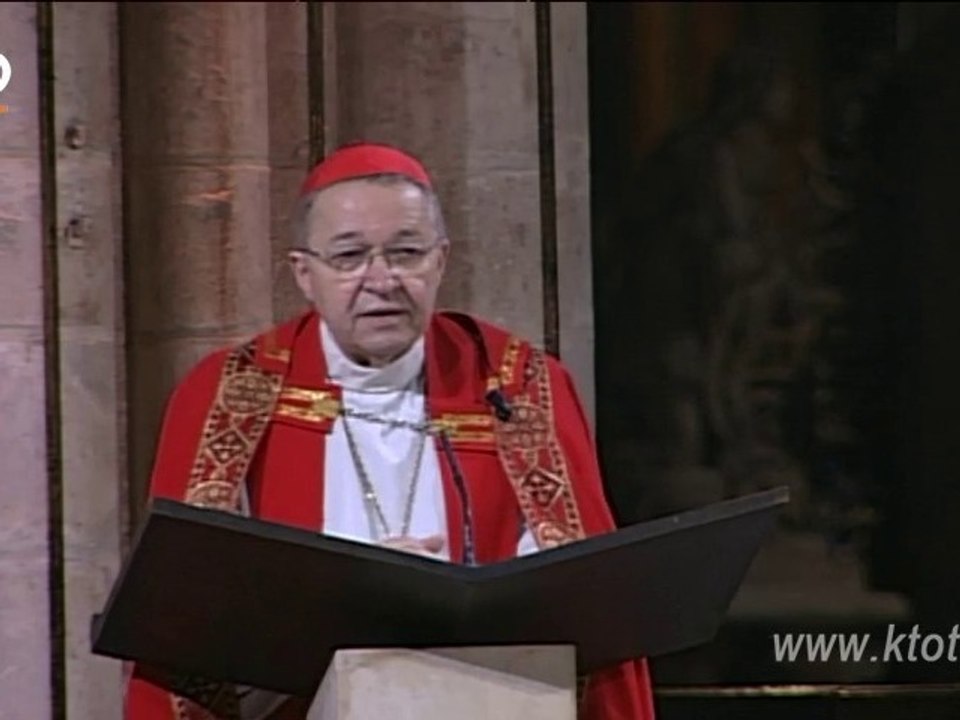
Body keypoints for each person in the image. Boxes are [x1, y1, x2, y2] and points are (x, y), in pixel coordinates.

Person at [124, 142, 656, 720]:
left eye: (406, 253)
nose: (382, 280)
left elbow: (580, 605)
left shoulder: (518, 388)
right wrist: (347, 607)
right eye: (349, 257)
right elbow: (190, 627)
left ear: (441, 261)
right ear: (304, 272)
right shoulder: (230, 396)